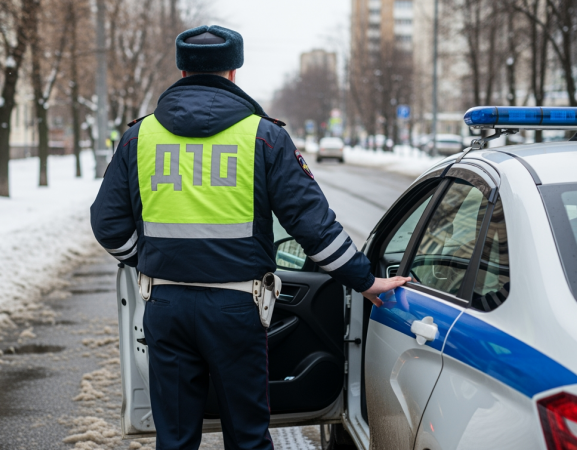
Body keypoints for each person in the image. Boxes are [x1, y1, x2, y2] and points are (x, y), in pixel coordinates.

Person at [90, 25, 408, 450]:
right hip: (236, 309)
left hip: (166, 306)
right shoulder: (264, 136)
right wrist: (366, 282)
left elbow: (107, 226)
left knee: (176, 438)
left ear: (182, 70)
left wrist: (147, 257)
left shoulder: (138, 136)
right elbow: (314, 227)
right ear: (233, 72)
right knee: (247, 437)